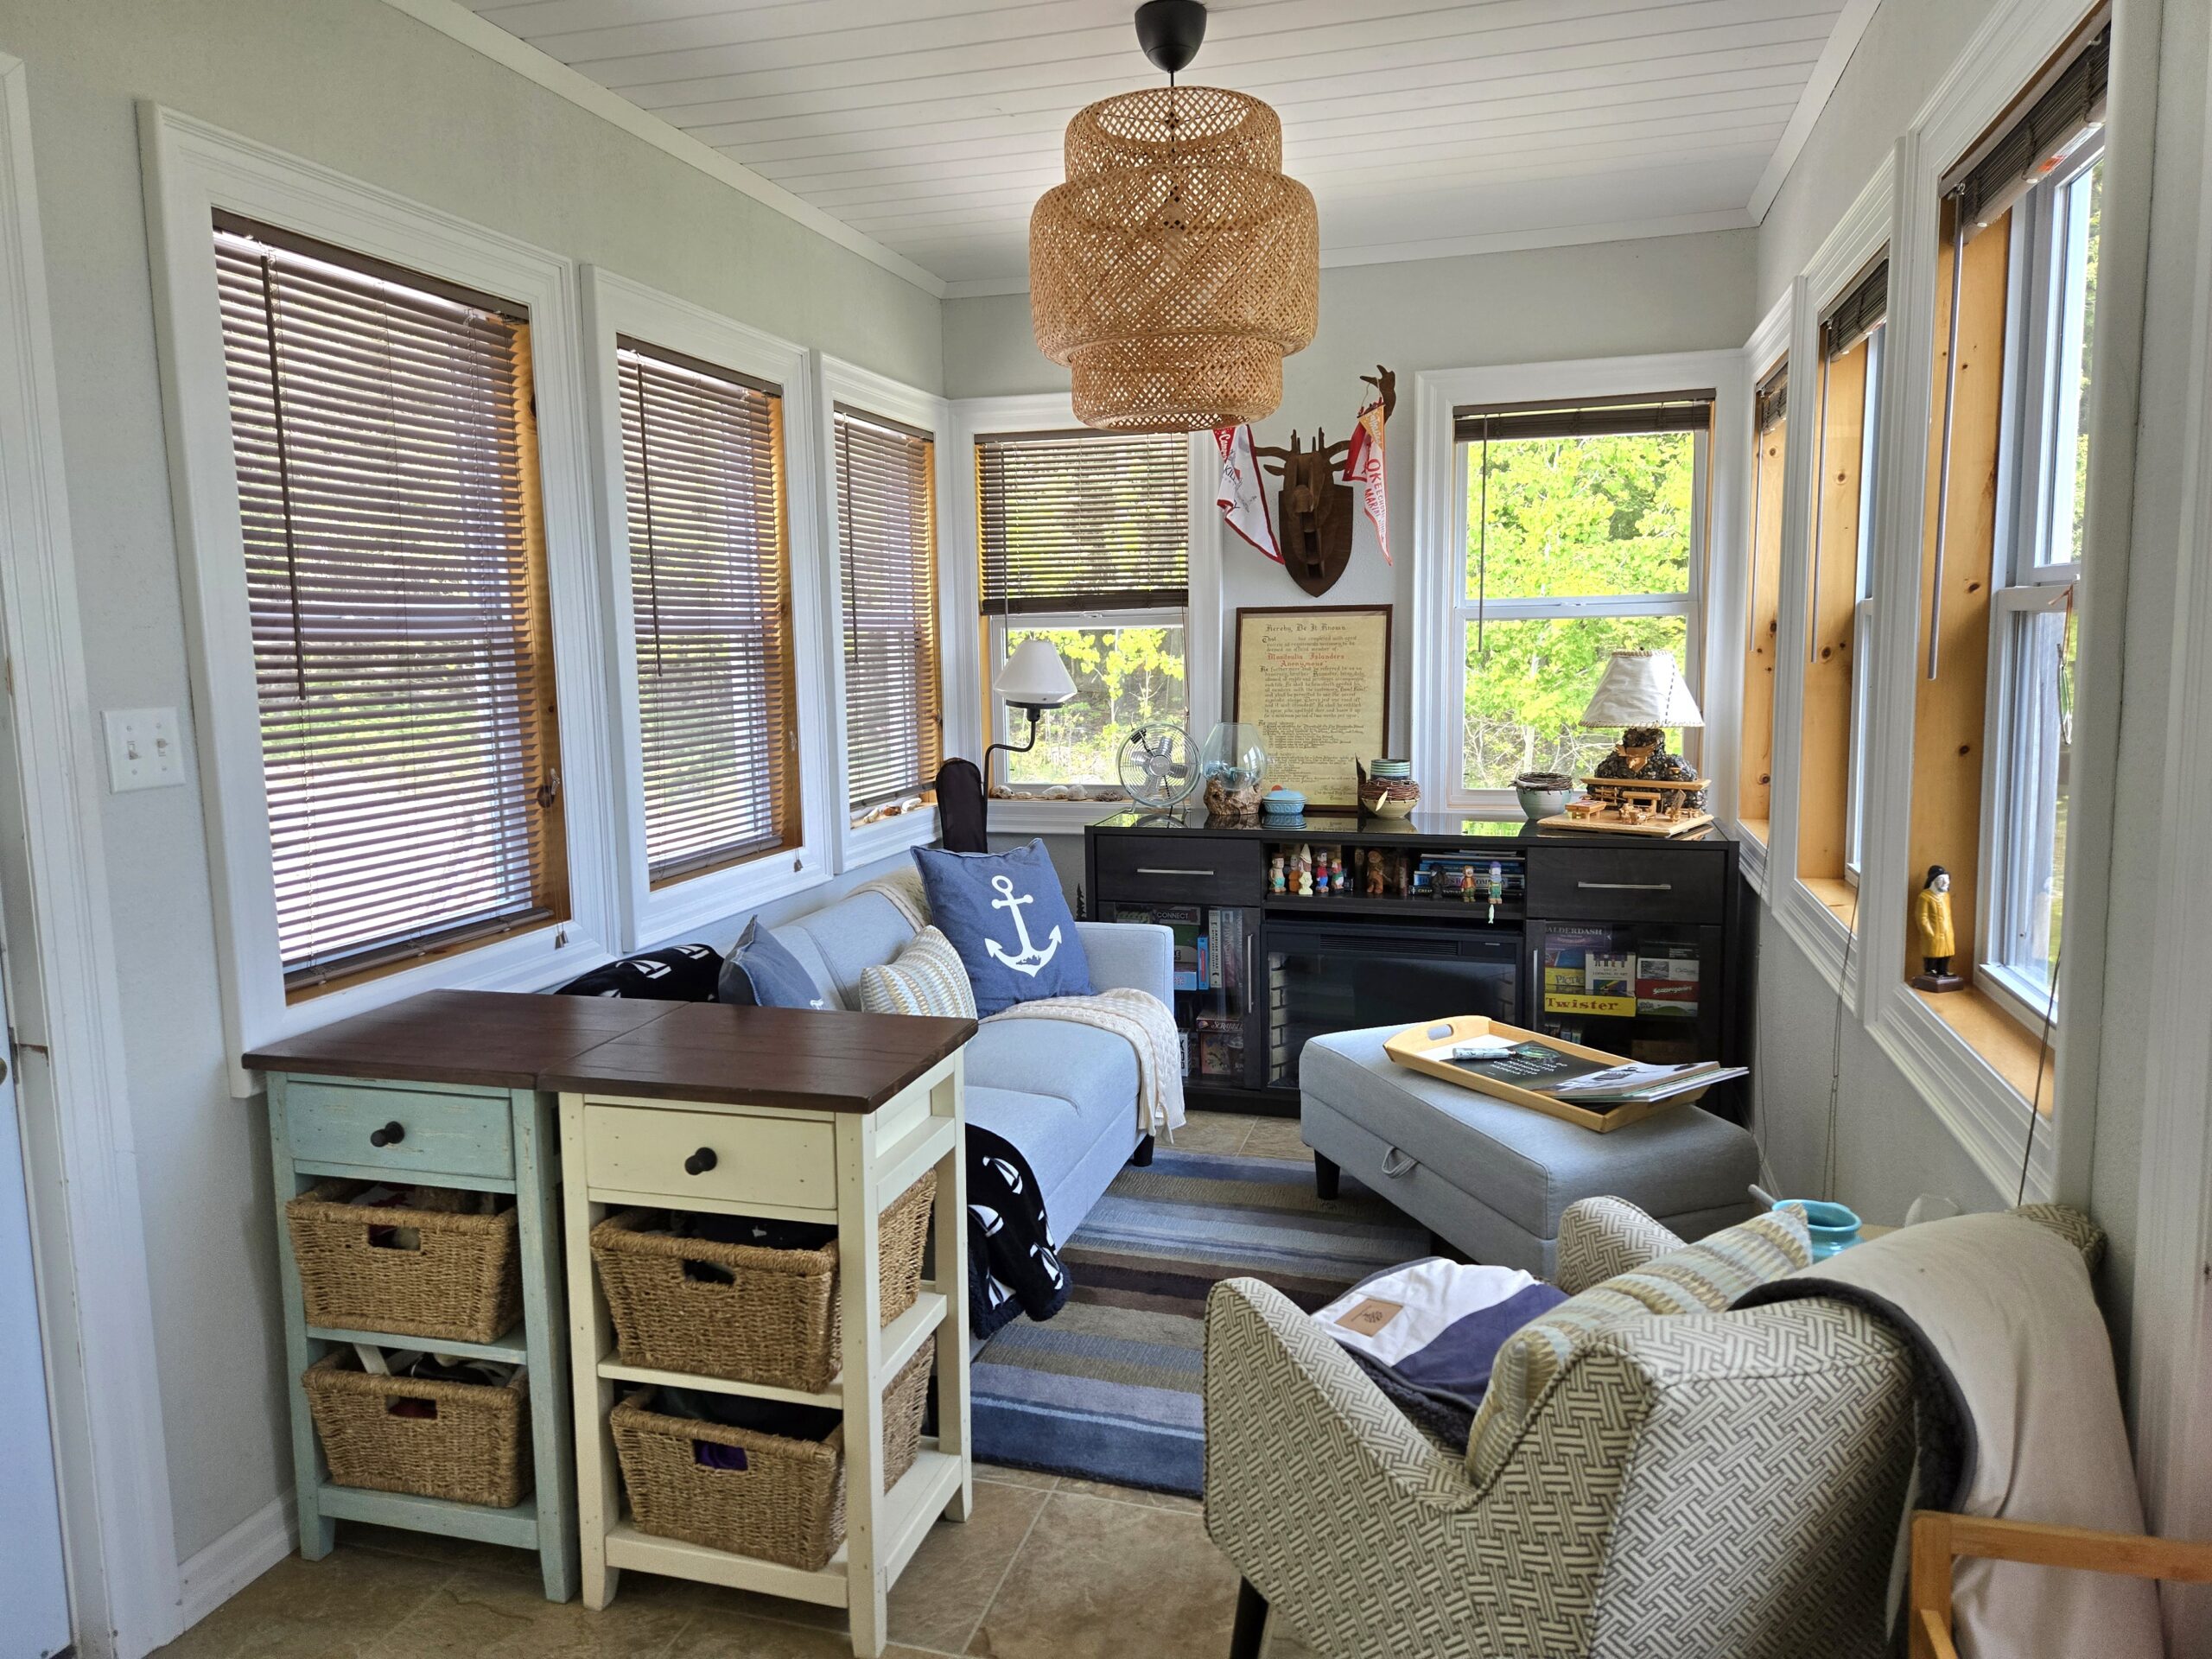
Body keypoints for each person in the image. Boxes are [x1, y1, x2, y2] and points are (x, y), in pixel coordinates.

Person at [1914, 865, 1957, 980]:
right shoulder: (1925, 897)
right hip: (1934, 932)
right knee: (1933, 953)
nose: (1946, 883)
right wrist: (1929, 932)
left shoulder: (1946, 896)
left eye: (1947, 880)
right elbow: (1922, 917)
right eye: (1942, 880)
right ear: (1934, 881)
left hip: (1946, 931)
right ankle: (1930, 971)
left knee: (1946, 952)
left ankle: (1943, 970)